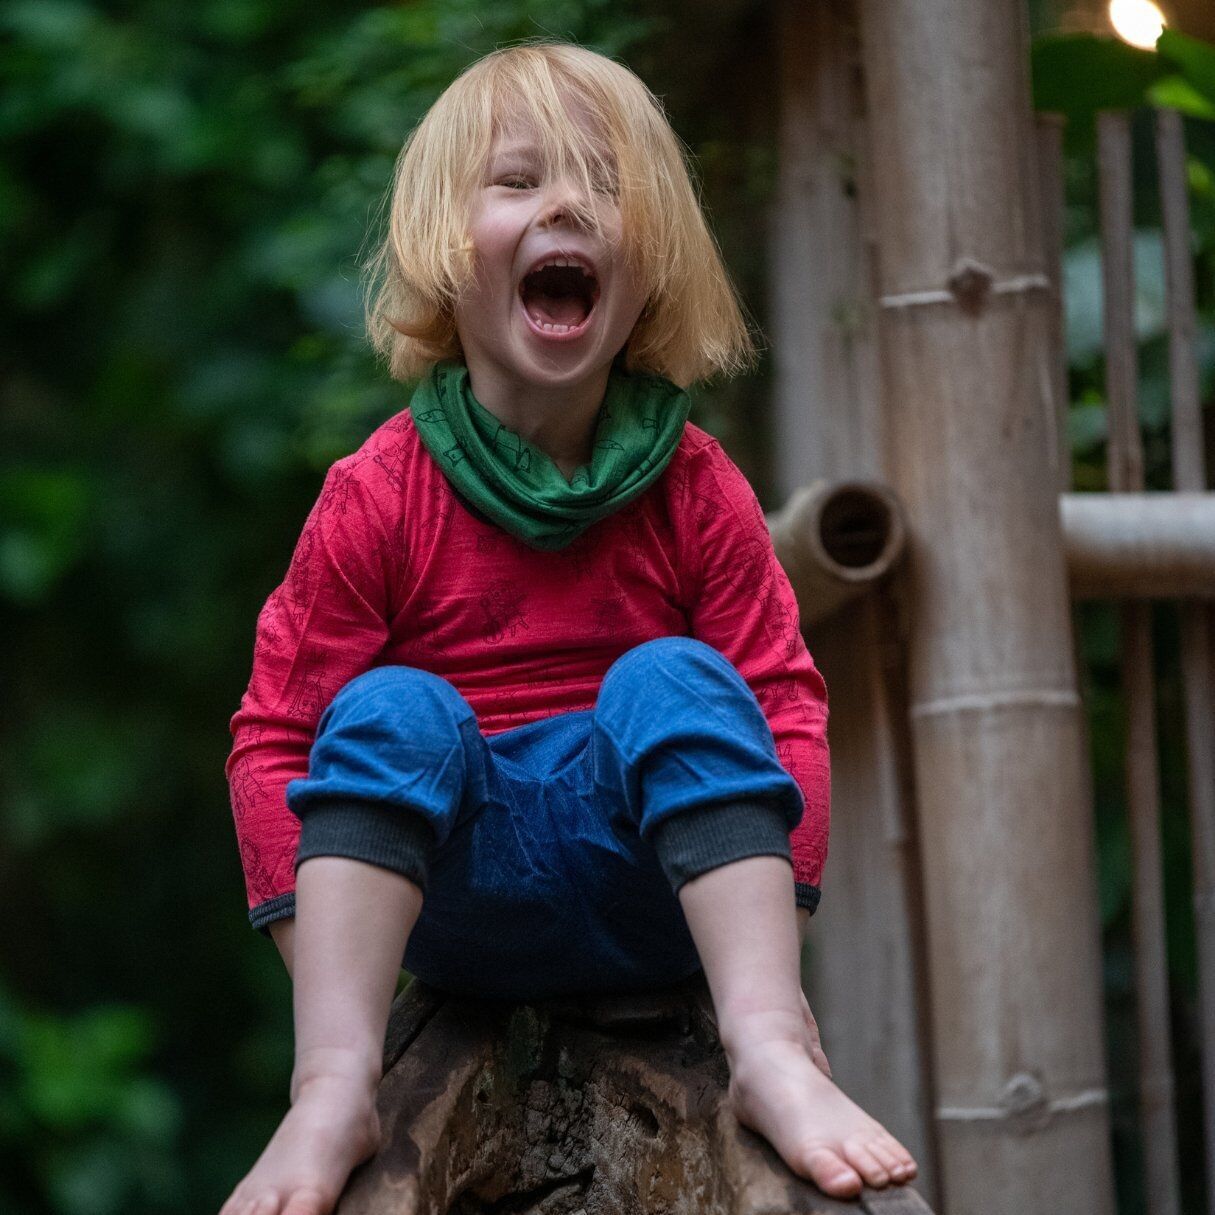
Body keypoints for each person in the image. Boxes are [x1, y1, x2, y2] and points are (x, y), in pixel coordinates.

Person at [220, 40, 918, 1215]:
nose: (566, 205)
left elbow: (785, 705)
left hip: (654, 890)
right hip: (460, 901)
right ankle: (331, 1089)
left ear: (653, 263)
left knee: (678, 679)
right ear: (445, 251)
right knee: (387, 709)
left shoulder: (696, 488)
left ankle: (769, 1052)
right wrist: (330, 984)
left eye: (605, 183)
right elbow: (276, 736)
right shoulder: (378, 494)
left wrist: (778, 953)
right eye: (517, 180)